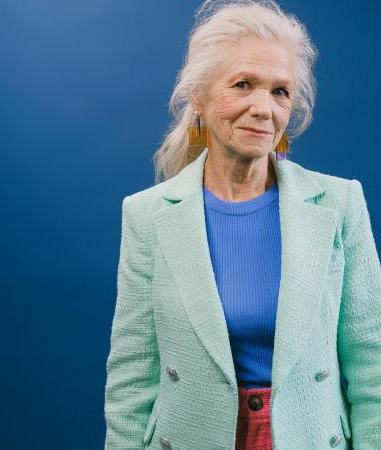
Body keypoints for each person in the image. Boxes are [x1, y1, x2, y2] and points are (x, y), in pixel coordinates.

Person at [104, 0, 381, 449]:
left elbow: (374, 363)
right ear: (198, 96)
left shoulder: (340, 204)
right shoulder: (147, 214)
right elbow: (131, 378)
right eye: (243, 84)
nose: (263, 108)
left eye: (280, 91)